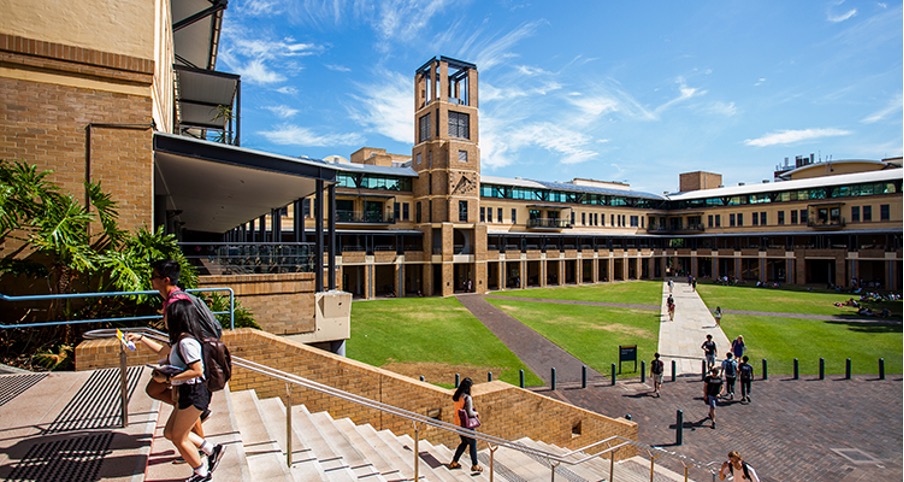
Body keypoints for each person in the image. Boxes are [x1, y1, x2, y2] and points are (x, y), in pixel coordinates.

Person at [127, 300, 225, 482]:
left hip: (194, 393)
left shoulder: (187, 342)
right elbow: (163, 351)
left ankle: (202, 473)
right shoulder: (179, 340)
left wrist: (167, 379)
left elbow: (197, 370)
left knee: (179, 437)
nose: (163, 317)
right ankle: (211, 450)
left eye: (166, 315)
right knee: (170, 433)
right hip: (185, 392)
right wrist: (141, 338)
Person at [144, 260, 216, 448]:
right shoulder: (172, 299)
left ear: (165, 279)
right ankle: (197, 435)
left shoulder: (177, 302)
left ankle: (201, 447)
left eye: (154, 277)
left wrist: (170, 376)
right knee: (161, 394)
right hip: (180, 357)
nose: (151, 280)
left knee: (184, 406)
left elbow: (193, 361)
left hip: (186, 361)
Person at [447, 377, 482, 473]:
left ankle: (454, 462)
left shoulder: (457, 396)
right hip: (466, 426)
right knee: (473, 443)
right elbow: (470, 413)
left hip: (458, 424)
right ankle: (475, 465)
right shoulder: (467, 397)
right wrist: (476, 413)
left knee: (464, 442)